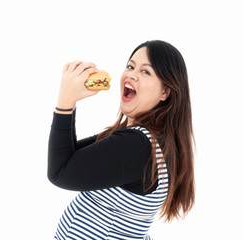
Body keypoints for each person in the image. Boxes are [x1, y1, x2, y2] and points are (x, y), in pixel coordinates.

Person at [47, 40, 195, 240]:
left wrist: (65, 101)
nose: (132, 74)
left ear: (165, 92)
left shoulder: (137, 146)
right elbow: (70, 157)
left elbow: (59, 172)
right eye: (130, 66)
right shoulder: (145, 139)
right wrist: (70, 103)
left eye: (146, 72)